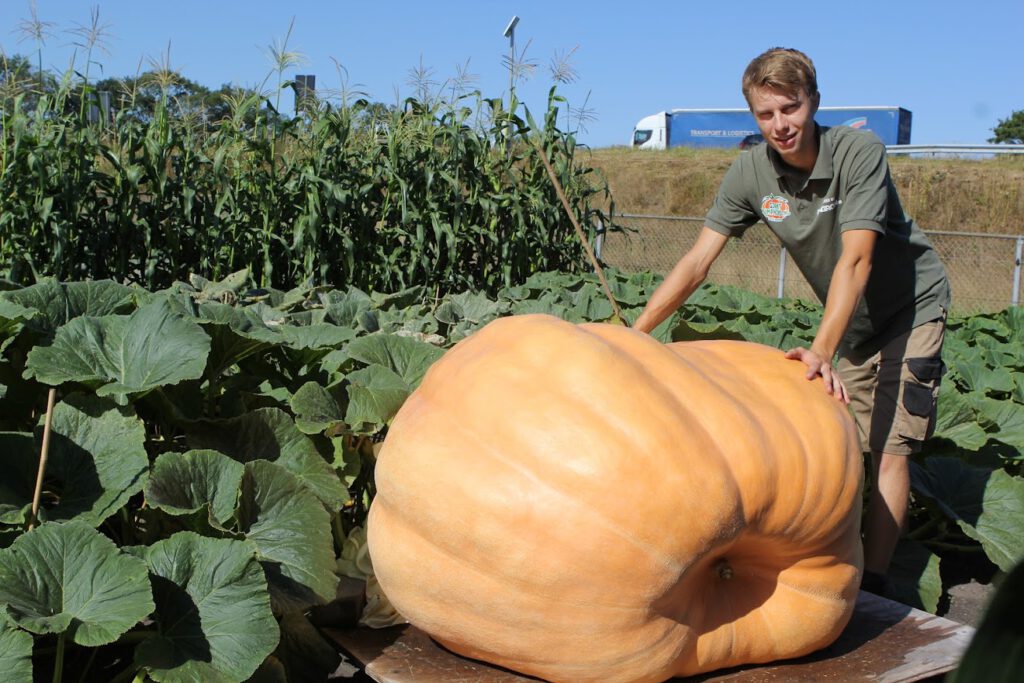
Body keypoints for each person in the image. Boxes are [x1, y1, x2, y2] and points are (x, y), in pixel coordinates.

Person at [632, 47, 951, 595]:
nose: (780, 125)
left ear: (814, 102)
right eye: (766, 114)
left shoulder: (858, 151)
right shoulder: (751, 172)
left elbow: (858, 260)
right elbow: (696, 261)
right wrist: (632, 337)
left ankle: (874, 588)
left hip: (910, 309)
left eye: (790, 108)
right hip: (852, 324)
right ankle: (830, 566)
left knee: (889, 450)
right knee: (840, 446)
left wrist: (822, 351)